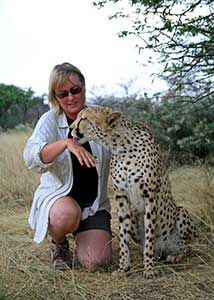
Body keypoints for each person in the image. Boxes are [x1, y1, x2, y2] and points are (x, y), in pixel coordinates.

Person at [23, 62, 112, 271]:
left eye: (75, 90)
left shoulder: (99, 118)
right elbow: (30, 157)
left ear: (83, 88)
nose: (70, 98)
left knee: (96, 263)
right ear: (55, 97)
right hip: (62, 204)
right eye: (62, 94)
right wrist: (66, 143)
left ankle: (90, 235)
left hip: (94, 205)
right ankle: (60, 245)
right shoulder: (50, 120)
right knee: (66, 214)